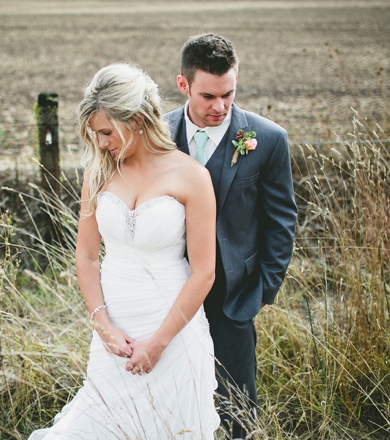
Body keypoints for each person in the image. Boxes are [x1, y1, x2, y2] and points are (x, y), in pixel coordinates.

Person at [28, 62, 220, 439]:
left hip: (173, 330)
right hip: (114, 330)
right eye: (94, 134)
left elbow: (204, 271)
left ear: (136, 118)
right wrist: (104, 326)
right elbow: (85, 257)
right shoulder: (98, 174)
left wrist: (159, 343)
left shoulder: (192, 177)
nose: (101, 143)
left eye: (105, 132)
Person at [165, 33, 297, 439]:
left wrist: (259, 293)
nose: (220, 107)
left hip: (234, 297)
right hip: (166, 292)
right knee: (173, 394)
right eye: (208, 96)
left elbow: (282, 222)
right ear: (183, 84)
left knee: (238, 404)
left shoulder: (269, 139)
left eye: (229, 94)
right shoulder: (156, 134)